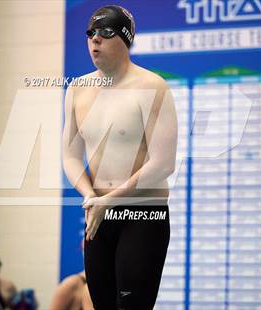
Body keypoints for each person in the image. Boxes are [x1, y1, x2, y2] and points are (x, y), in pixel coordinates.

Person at [62, 5, 178, 309]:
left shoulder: (151, 86)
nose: (94, 40)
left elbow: (163, 163)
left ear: (125, 38)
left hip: (142, 215)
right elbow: (70, 154)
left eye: (105, 32)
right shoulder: (78, 90)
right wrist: (90, 195)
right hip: (98, 216)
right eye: (90, 33)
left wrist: (108, 200)